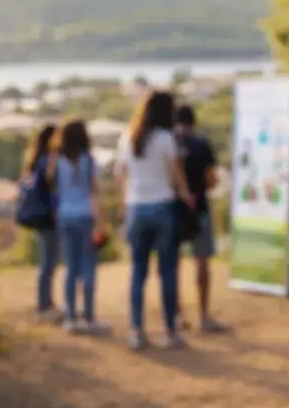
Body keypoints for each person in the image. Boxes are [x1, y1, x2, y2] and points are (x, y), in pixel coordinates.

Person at [117, 91, 195, 350]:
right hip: (162, 207)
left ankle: (136, 331)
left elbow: (121, 175)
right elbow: (176, 175)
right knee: (167, 272)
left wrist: (124, 208)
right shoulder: (165, 139)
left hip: (136, 208)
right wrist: (187, 196)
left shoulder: (128, 137)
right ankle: (170, 332)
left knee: (138, 272)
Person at [47, 119, 108, 335]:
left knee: (70, 268)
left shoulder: (57, 160)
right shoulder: (88, 160)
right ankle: (88, 316)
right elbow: (94, 192)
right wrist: (101, 222)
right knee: (88, 267)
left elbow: (50, 183)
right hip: (85, 216)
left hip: (65, 216)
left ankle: (71, 317)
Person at [175, 105, 226, 333]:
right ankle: (203, 316)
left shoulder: (169, 143)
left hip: (174, 210)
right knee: (202, 262)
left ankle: (175, 316)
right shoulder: (200, 144)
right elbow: (212, 181)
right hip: (199, 209)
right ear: (193, 122)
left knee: (171, 264)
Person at [21, 123, 60, 323]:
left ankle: (45, 301)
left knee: (46, 260)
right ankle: (44, 304)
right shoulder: (48, 162)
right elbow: (54, 187)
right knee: (48, 262)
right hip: (48, 217)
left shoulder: (34, 161)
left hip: (39, 217)